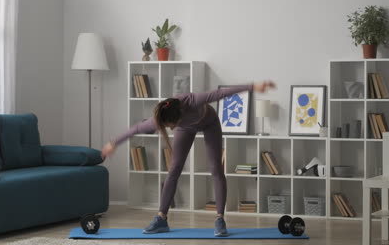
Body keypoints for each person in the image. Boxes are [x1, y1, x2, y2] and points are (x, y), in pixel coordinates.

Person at [101, 81, 275, 237]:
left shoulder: (192, 101)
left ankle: (220, 220)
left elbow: (221, 93)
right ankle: (161, 218)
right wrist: (113, 143)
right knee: (174, 169)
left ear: (179, 117)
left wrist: (252, 87)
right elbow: (137, 128)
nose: (169, 129)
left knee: (216, 168)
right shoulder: (162, 116)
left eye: (171, 126)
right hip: (187, 129)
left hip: (209, 123)